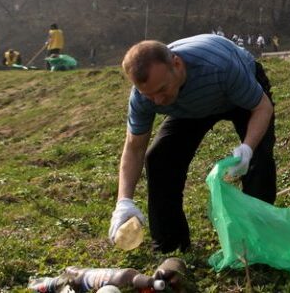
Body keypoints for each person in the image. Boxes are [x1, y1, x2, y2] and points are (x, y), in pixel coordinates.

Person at [108, 35, 277, 253]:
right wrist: (124, 201)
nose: (157, 101)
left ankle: (257, 243)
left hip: (237, 95)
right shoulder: (145, 97)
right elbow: (134, 147)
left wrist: (247, 149)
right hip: (188, 105)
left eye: (161, 90)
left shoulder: (219, 66)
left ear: (177, 65)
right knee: (159, 159)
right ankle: (171, 244)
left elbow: (262, 107)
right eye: (149, 95)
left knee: (258, 160)